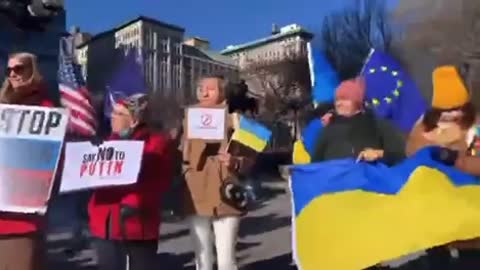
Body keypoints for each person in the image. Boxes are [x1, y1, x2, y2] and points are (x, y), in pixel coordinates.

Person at [88, 93, 173, 270]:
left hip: (137, 222)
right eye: (113, 112)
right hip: (105, 222)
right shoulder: (106, 144)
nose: (112, 117)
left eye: (119, 114)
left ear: (134, 120)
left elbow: (160, 182)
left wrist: (133, 201)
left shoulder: (155, 144)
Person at [406, 65, 480, 269]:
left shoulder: (475, 127)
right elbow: (412, 158)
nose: (452, 114)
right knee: (437, 261)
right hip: (434, 212)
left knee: (470, 261)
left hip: (469, 209)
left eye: (457, 108)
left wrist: (456, 160)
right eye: (445, 111)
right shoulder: (423, 129)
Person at [181, 75, 255, 270]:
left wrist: (235, 162)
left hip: (227, 195)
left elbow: (251, 158)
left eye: (210, 89)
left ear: (222, 93)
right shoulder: (188, 119)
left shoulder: (236, 119)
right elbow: (180, 155)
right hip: (196, 194)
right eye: (200, 88)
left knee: (226, 261)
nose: (203, 92)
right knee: (202, 259)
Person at [0, 52, 54, 270]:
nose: (13, 74)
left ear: (32, 70)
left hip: (20, 221)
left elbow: (50, 162)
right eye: (9, 70)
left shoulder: (45, 110)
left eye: (19, 68)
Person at [311, 77, 405, 165]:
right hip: (333, 178)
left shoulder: (376, 124)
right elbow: (314, 165)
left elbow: (400, 155)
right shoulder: (328, 129)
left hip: (368, 176)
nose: (339, 104)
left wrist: (379, 154)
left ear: (357, 102)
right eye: (337, 100)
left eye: (344, 99)